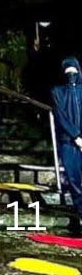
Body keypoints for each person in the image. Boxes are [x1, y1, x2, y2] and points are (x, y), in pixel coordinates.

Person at [52, 57, 82, 232]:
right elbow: (61, 116)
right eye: (67, 71)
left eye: (74, 71)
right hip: (68, 142)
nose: (71, 74)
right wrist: (76, 136)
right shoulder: (57, 91)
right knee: (74, 180)